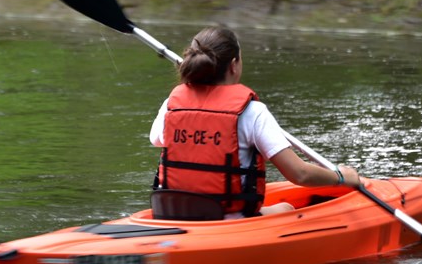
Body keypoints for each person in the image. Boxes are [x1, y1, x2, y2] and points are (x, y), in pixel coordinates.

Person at [149, 25, 361, 218]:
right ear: (234, 65)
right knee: (287, 208)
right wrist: (341, 177)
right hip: (229, 219)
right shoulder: (252, 112)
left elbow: (158, 139)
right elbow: (300, 174)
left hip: (172, 214)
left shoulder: (172, 104)